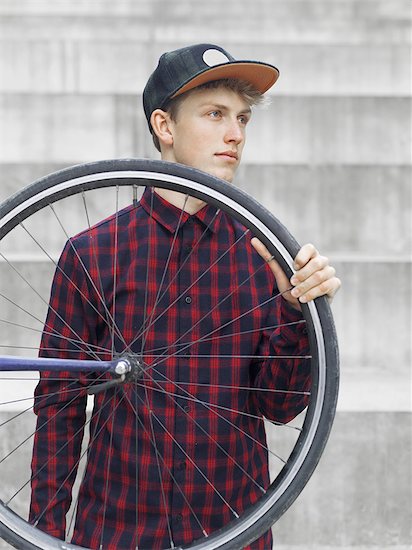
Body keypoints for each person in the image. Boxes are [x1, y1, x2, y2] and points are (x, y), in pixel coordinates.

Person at [29, 44, 341, 549]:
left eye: (242, 118)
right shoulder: (93, 252)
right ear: (165, 126)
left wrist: (294, 310)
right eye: (214, 114)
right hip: (117, 531)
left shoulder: (263, 255)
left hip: (233, 531)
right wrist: (41, 537)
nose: (235, 133)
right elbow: (59, 407)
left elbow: (279, 407)